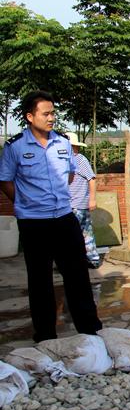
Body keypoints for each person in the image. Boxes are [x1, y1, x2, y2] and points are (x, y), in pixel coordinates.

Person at [0, 90, 102, 342]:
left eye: (53, 113)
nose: (51, 118)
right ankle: (45, 335)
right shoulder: (15, 147)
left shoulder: (63, 143)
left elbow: (68, 175)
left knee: (77, 273)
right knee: (40, 279)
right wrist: (25, 203)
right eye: (46, 113)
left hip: (65, 218)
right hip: (34, 222)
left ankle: (89, 329)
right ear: (30, 116)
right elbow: (5, 181)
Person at [67, 132, 101, 269]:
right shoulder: (67, 160)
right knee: (85, 232)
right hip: (72, 203)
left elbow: (91, 179)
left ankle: (79, 260)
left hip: (77, 203)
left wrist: (92, 199)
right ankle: (90, 259)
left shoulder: (79, 159)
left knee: (73, 234)